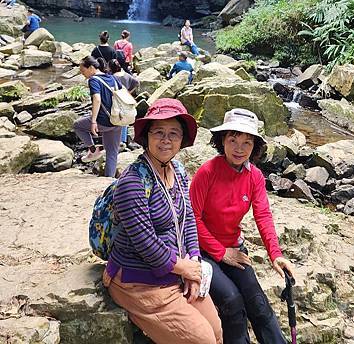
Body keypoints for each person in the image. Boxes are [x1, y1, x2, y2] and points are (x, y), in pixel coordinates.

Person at [103, 98, 223, 344]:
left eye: (174, 133)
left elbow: (188, 218)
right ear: (146, 136)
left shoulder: (178, 170)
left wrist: (193, 262)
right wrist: (185, 269)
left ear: (182, 139)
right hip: (138, 280)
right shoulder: (132, 182)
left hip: (177, 271)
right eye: (159, 132)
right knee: (203, 340)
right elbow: (145, 242)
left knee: (217, 330)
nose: (166, 140)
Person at [190, 108, 295, 344]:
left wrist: (275, 254)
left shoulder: (255, 176)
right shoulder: (207, 172)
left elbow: (263, 216)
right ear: (222, 141)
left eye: (247, 142)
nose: (239, 148)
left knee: (256, 301)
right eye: (233, 140)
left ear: (255, 146)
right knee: (231, 300)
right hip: (203, 252)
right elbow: (192, 219)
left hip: (234, 249)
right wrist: (220, 252)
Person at [74, 56, 123, 177]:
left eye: (83, 71)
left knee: (77, 126)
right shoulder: (112, 77)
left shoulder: (93, 80)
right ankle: (108, 182)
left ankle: (92, 150)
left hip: (104, 121)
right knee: (112, 153)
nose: (83, 74)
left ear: (91, 68)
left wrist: (93, 121)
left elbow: (97, 98)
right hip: (118, 120)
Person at [108, 58, 139, 146]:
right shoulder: (126, 75)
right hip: (126, 99)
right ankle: (123, 140)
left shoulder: (112, 77)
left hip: (116, 99)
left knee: (116, 117)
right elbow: (136, 82)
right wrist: (129, 92)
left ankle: (117, 140)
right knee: (125, 119)